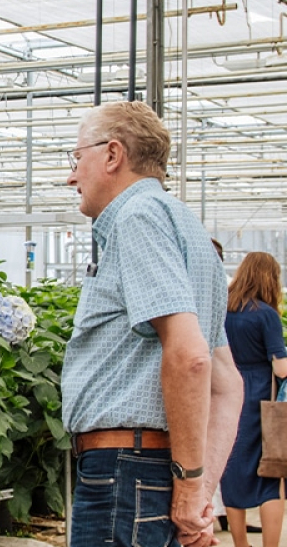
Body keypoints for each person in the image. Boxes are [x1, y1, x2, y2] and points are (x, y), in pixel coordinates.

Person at [62, 101, 243, 547]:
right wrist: (199, 492)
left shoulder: (137, 218)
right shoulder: (188, 229)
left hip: (124, 472)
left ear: (112, 154)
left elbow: (191, 358)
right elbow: (226, 383)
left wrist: (190, 487)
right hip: (145, 471)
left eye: (76, 157)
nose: (71, 175)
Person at [219, 252, 287, 547]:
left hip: (227, 391)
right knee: (271, 475)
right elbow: (281, 368)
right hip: (260, 397)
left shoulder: (223, 310)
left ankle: (240, 543)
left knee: (231, 468)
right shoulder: (266, 314)